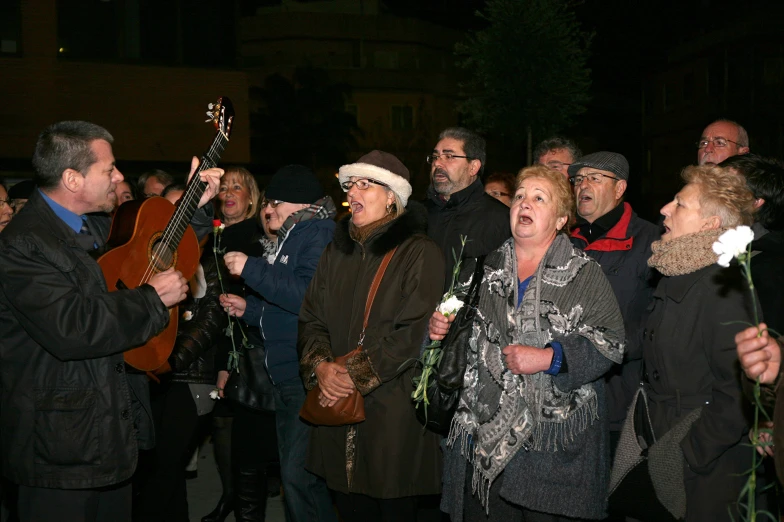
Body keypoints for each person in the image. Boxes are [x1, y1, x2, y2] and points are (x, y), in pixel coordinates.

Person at [0, 120, 222, 522]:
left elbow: (156, 245)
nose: (119, 177)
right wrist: (152, 299)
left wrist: (195, 204)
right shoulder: (23, 244)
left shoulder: (95, 227)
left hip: (107, 440)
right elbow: (73, 329)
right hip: (59, 453)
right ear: (71, 178)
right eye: (109, 169)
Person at [434, 165, 624, 521]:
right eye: (519, 196)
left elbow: (611, 343)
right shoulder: (482, 266)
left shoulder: (585, 273)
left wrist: (551, 359)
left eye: (539, 198)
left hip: (554, 448)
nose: (524, 203)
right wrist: (438, 327)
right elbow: (452, 321)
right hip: (481, 440)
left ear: (560, 219)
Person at [298, 150, 445, 522]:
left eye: (366, 183)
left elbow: (414, 332)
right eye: (350, 184)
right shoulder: (336, 252)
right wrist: (322, 369)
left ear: (392, 196)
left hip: (392, 413)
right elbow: (311, 318)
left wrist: (352, 375)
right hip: (336, 405)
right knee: (348, 509)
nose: (354, 192)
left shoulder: (419, 252)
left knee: (392, 507)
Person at [619, 165, 755, 520]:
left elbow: (737, 392)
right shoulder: (677, 274)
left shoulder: (722, 288)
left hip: (705, 473)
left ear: (709, 225)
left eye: (679, 204)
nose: (665, 209)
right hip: (665, 444)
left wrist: (686, 452)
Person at [219, 165, 336, 522]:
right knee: (297, 478)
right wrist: (250, 309)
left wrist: (251, 269)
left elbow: (306, 298)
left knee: (300, 480)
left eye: (275, 202)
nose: (269, 210)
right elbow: (283, 308)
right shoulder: (296, 233)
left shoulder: (316, 232)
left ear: (294, 203)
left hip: (303, 374)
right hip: (289, 373)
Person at [132, 186, 227, 522]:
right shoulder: (142, 258)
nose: (177, 219)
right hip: (148, 374)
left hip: (186, 378)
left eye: (184, 210)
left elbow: (211, 320)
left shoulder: (207, 260)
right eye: (170, 210)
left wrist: (170, 360)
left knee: (165, 465)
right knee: (160, 471)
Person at [567, 151, 660, 455]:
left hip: (621, 394)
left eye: (594, 178)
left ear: (619, 189)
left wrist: (610, 351)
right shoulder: (565, 240)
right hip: (565, 392)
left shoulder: (651, 241)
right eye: (578, 179)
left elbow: (656, 319)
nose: (583, 186)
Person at [210, 167, 279, 522]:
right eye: (224, 187)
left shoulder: (258, 238)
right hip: (218, 337)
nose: (229, 192)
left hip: (249, 344)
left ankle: (242, 496)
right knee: (226, 426)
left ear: (252, 197)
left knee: (253, 436)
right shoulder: (214, 235)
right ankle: (231, 495)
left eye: (238, 186)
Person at [425, 127, 510, 290]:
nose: (437, 163)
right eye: (435, 156)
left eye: (449, 156)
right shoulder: (419, 214)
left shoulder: (500, 219)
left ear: (473, 167)